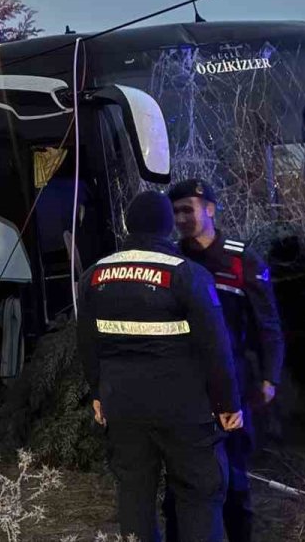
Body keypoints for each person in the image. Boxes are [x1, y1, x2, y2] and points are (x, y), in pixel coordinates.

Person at [77, 191, 241, 542]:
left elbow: (88, 342)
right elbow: (216, 347)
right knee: (199, 495)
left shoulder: (93, 276)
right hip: (185, 410)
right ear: (168, 227)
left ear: (127, 225)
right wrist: (228, 403)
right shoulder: (188, 274)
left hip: (123, 406)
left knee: (134, 495)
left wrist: (97, 393)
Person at [164, 179, 285, 542]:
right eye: (175, 212)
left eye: (188, 210)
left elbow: (268, 324)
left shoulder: (241, 259)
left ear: (210, 209)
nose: (181, 219)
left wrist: (270, 378)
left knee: (233, 479)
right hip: (182, 384)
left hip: (232, 383)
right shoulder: (173, 260)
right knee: (179, 481)